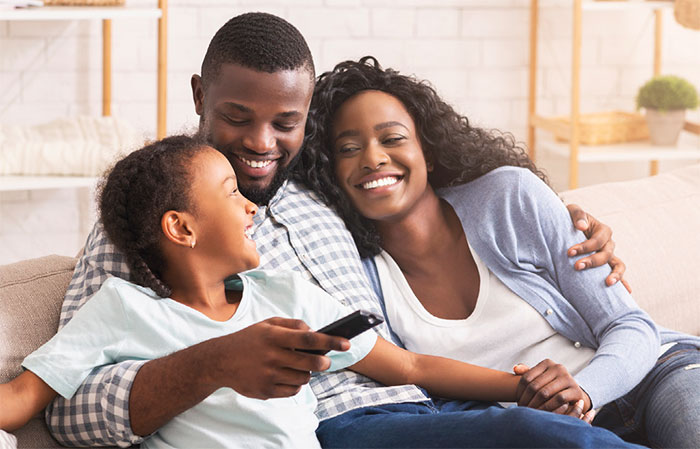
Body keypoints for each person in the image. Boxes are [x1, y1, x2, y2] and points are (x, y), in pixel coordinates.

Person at [47, 13, 633, 448]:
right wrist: (213, 363)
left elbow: (422, 188)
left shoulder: (322, 186)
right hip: (326, 426)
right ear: (201, 95)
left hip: (430, 407)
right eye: (236, 118)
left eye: (286, 123)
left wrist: (566, 220)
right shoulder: (151, 218)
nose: (261, 144)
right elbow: (66, 410)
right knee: (549, 438)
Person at [6, 135, 627, 448]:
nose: (250, 201)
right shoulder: (119, 309)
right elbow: (24, 401)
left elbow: (407, 364)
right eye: (229, 191)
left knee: (525, 429)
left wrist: (522, 387)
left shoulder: (283, 292)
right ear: (181, 227)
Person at [306, 55, 700, 448]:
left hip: (652, 378)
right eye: (349, 148)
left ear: (426, 147)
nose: (373, 158)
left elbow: (631, 326)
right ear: (329, 170)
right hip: (549, 434)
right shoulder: (359, 275)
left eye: (392, 139)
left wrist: (581, 391)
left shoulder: (509, 198)